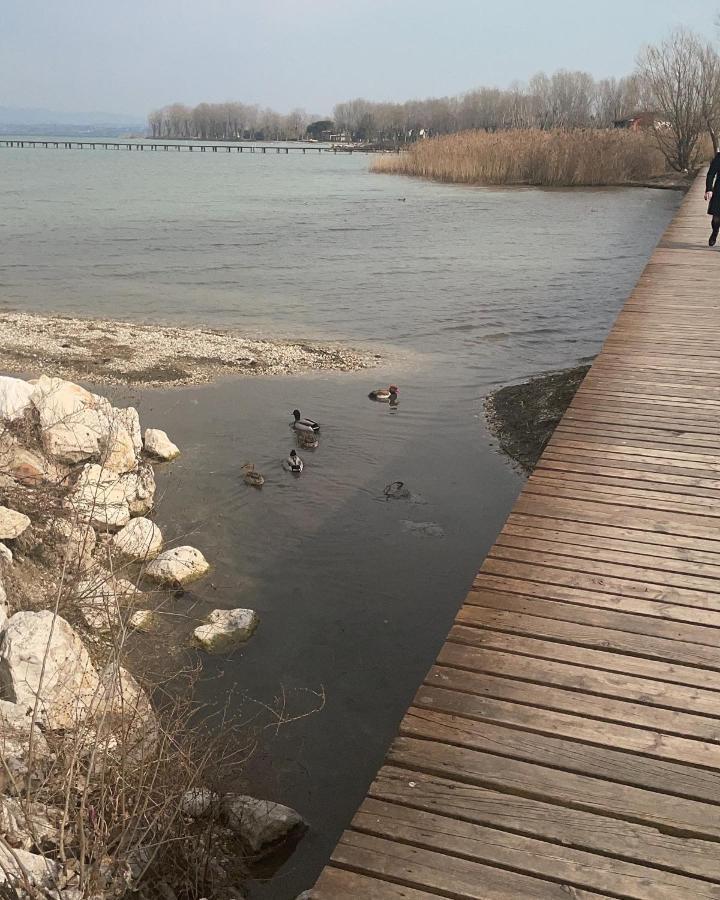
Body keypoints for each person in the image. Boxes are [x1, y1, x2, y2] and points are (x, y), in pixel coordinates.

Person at [705, 151, 720, 246]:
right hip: (719, 191)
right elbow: (711, 174)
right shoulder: (719, 157)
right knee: (716, 219)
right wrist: (709, 189)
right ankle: (715, 233)